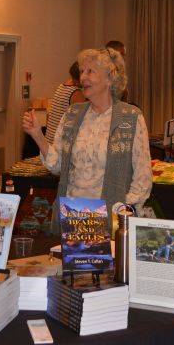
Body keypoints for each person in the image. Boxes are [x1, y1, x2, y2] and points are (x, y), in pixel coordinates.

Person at [22, 48, 152, 224]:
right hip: (72, 214)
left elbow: (142, 177)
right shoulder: (72, 114)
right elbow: (57, 165)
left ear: (110, 77)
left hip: (110, 216)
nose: (83, 77)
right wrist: (38, 135)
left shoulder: (131, 117)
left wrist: (123, 212)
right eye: (82, 71)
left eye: (90, 71)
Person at [45, 62, 85, 146]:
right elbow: (81, 122)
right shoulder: (76, 92)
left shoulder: (62, 86)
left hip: (49, 141)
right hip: (58, 143)